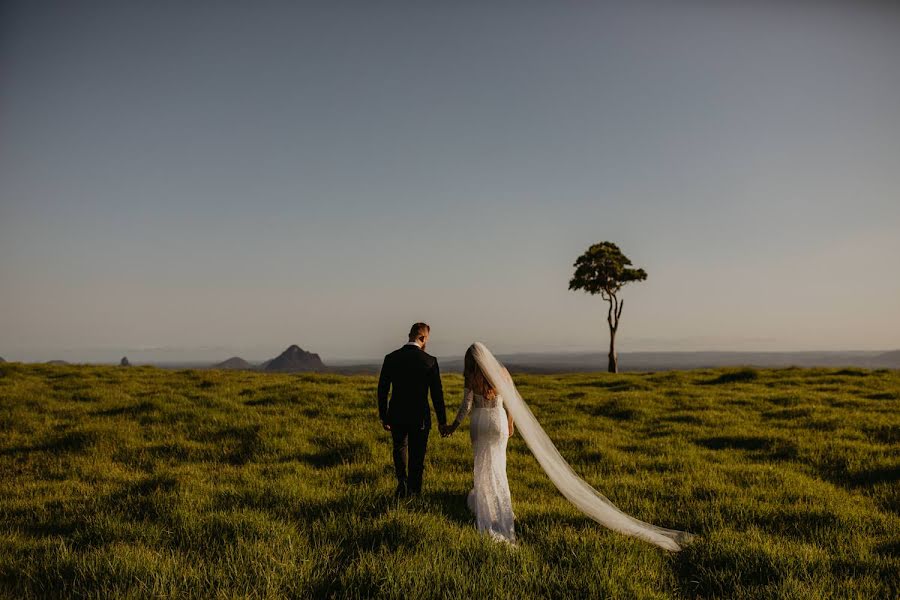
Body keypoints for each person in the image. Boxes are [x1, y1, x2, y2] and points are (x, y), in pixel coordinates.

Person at [444, 342, 694, 551]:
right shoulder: (502, 372)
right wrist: (510, 424)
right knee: (500, 468)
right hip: (497, 422)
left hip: (479, 423)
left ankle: (484, 508)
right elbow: (512, 401)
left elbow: (467, 406)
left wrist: (453, 426)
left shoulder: (471, 377)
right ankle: (504, 513)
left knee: (483, 467)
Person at [377, 322, 447, 498]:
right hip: (420, 418)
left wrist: (384, 417)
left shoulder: (391, 358)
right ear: (423, 338)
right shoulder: (430, 361)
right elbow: (437, 395)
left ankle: (402, 484)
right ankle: (414, 492)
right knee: (417, 457)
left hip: (396, 415)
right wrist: (442, 421)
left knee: (399, 448)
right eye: (427, 340)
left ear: (410, 335)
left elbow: (382, 390)